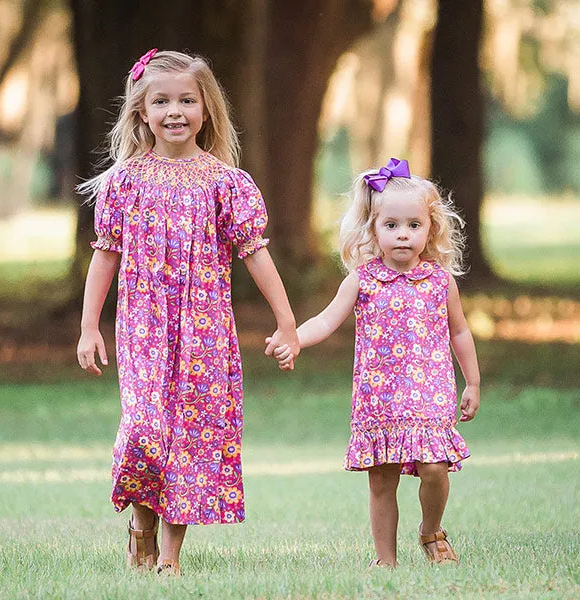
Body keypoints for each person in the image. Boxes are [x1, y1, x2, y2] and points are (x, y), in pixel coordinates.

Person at [76, 48, 299, 576]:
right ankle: (141, 528)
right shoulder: (124, 182)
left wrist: (286, 319)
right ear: (141, 112)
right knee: (146, 430)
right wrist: (89, 326)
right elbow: (105, 254)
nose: (174, 111)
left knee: (191, 437)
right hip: (143, 328)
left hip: (205, 331)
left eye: (186, 100)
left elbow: (255, 253)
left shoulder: (225, 184)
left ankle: (170, 557)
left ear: (206, 109)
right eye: (161, 101)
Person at [268, 158, 480, 567]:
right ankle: (385, 560)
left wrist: (471, 382)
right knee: (382, 479)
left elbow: (460, 333)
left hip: (429, 393)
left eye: (413, 226)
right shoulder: (362, 279)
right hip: (378, 398)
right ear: (374, 229)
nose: (403, 235)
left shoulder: (440, 281)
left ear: (430, 229)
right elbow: (327, 319)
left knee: (434, 467)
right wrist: (294, 340)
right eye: (392, 225)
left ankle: (431, 531)